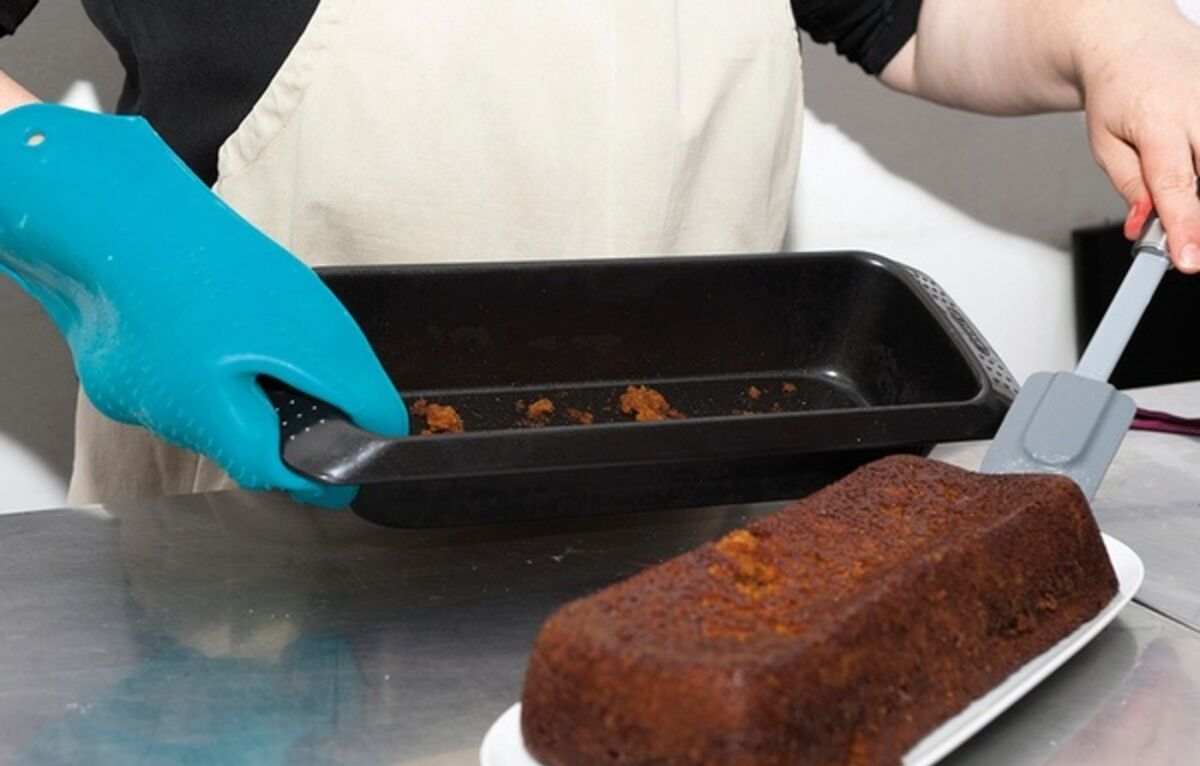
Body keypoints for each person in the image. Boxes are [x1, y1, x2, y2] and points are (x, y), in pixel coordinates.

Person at [0, 0, 1197, 505]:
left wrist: (1112, 31)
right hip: (272, 562)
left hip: (701, 536)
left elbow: (918, 17)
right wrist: (85, 215)